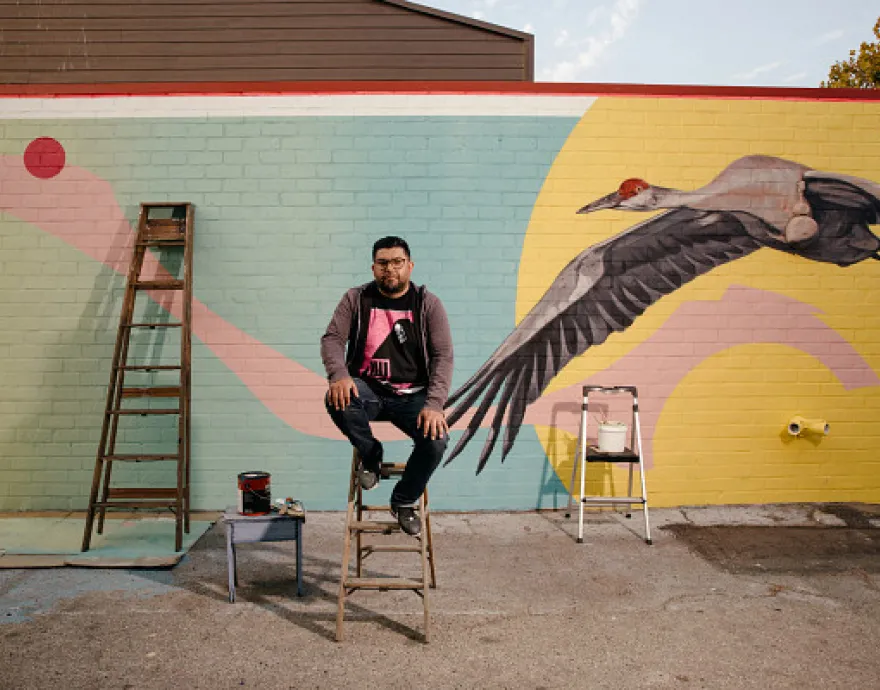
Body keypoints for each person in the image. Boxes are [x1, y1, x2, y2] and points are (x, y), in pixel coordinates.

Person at [321, 236, 454, 536]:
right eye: (383, 263)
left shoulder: (427, 304)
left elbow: (443, 356)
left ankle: (404, 500)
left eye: (397, 262)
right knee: (337, 397)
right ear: (373, 268)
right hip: (368, 391)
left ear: (410, 266)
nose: (390, 269)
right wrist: (338, 375)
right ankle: (371, 455)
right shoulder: (356, 299)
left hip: (413, 396)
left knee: (437, 440)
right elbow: (332, 339)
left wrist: (434, 405)